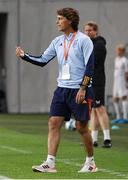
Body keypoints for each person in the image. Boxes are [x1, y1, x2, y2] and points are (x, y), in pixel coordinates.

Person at [16, 8, 98, 173]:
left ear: (70, 20)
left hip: (80, 90)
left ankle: (91, 163)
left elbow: (90, 67)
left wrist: (83, 88)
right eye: (57, 18)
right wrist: (25, 56)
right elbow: (42, 60)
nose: (57, 21)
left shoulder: (84, 40)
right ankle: (50, 163)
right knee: (53, 123)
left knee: (82, 127)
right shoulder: (57, 41)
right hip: (61, 90)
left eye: (60, 19)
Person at [84, 21, 112, 148]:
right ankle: (93, 139)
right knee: (93, 110)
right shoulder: (89, 44)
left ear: (95, 31)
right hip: (91, 81)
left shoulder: (99, 45)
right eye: (86, 30)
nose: (87, 32)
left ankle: (107, 139)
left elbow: (94, 63)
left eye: (90, 30)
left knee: (100, 108)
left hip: (98, 81)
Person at [112, 44, 128, 124]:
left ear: (122, 51)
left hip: (122, 80)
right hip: (116, 81)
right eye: (117, 50)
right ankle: (118, 117)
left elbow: (127, 73)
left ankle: (125, 117)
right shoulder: (116, 59)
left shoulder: (124, 60)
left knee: (123, 97)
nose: (117, 52)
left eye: (119, 50)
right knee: (115, 98)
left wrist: (126, 83)